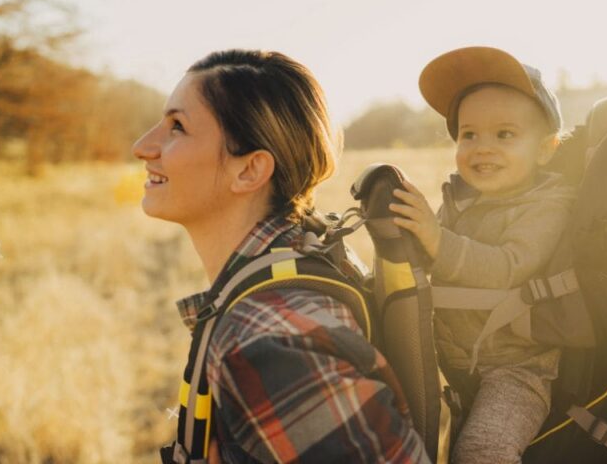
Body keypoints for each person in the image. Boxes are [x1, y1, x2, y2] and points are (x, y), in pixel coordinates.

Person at [133, 49, 429, 463]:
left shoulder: (267, 341)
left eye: (177, 127)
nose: (143, 147)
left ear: (249, 170)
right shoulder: (297, 262)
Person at [389, 46, 576, 464]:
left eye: (504, 134)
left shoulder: (547, 205)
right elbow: (429, 260)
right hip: (459, 362)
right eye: (469, 134)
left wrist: (437, 239)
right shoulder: (460, 200)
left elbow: (507, 268)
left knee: (481, 452)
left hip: (517, 368)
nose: (482, 148)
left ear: (546, 149)